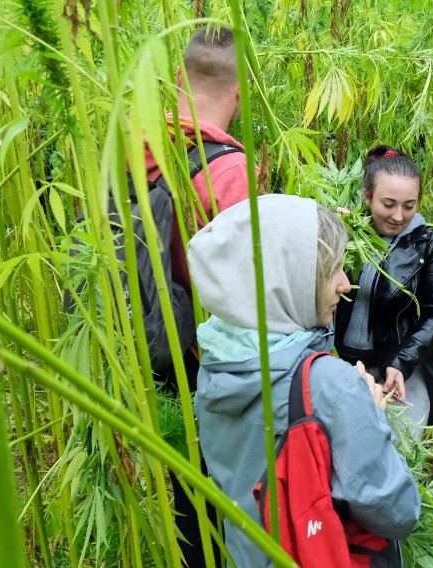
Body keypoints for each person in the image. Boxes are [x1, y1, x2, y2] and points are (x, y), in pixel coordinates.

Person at [187, 194, 421, 567]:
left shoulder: (215, 362)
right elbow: (397, 512)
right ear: (287, 280)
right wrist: (372, 414)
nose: (346, 284)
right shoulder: (329, 384)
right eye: (332, 270)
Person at [140, 25, 255, 567]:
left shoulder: (134, 154)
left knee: (186, 498)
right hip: (212, 367)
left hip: (152, 354)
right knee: (224, 503)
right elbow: (247, 299)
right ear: (238, 93)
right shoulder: (231, 172)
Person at [334, 145, 433, 438]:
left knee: (400, 450)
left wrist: (401, 363)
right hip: (343, 363)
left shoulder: (430, 243)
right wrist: (332, 234)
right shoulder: (347, 231)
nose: (398, 216)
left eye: (409, 205)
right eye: (388, 204)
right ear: (367, 197)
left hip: (402, 365)